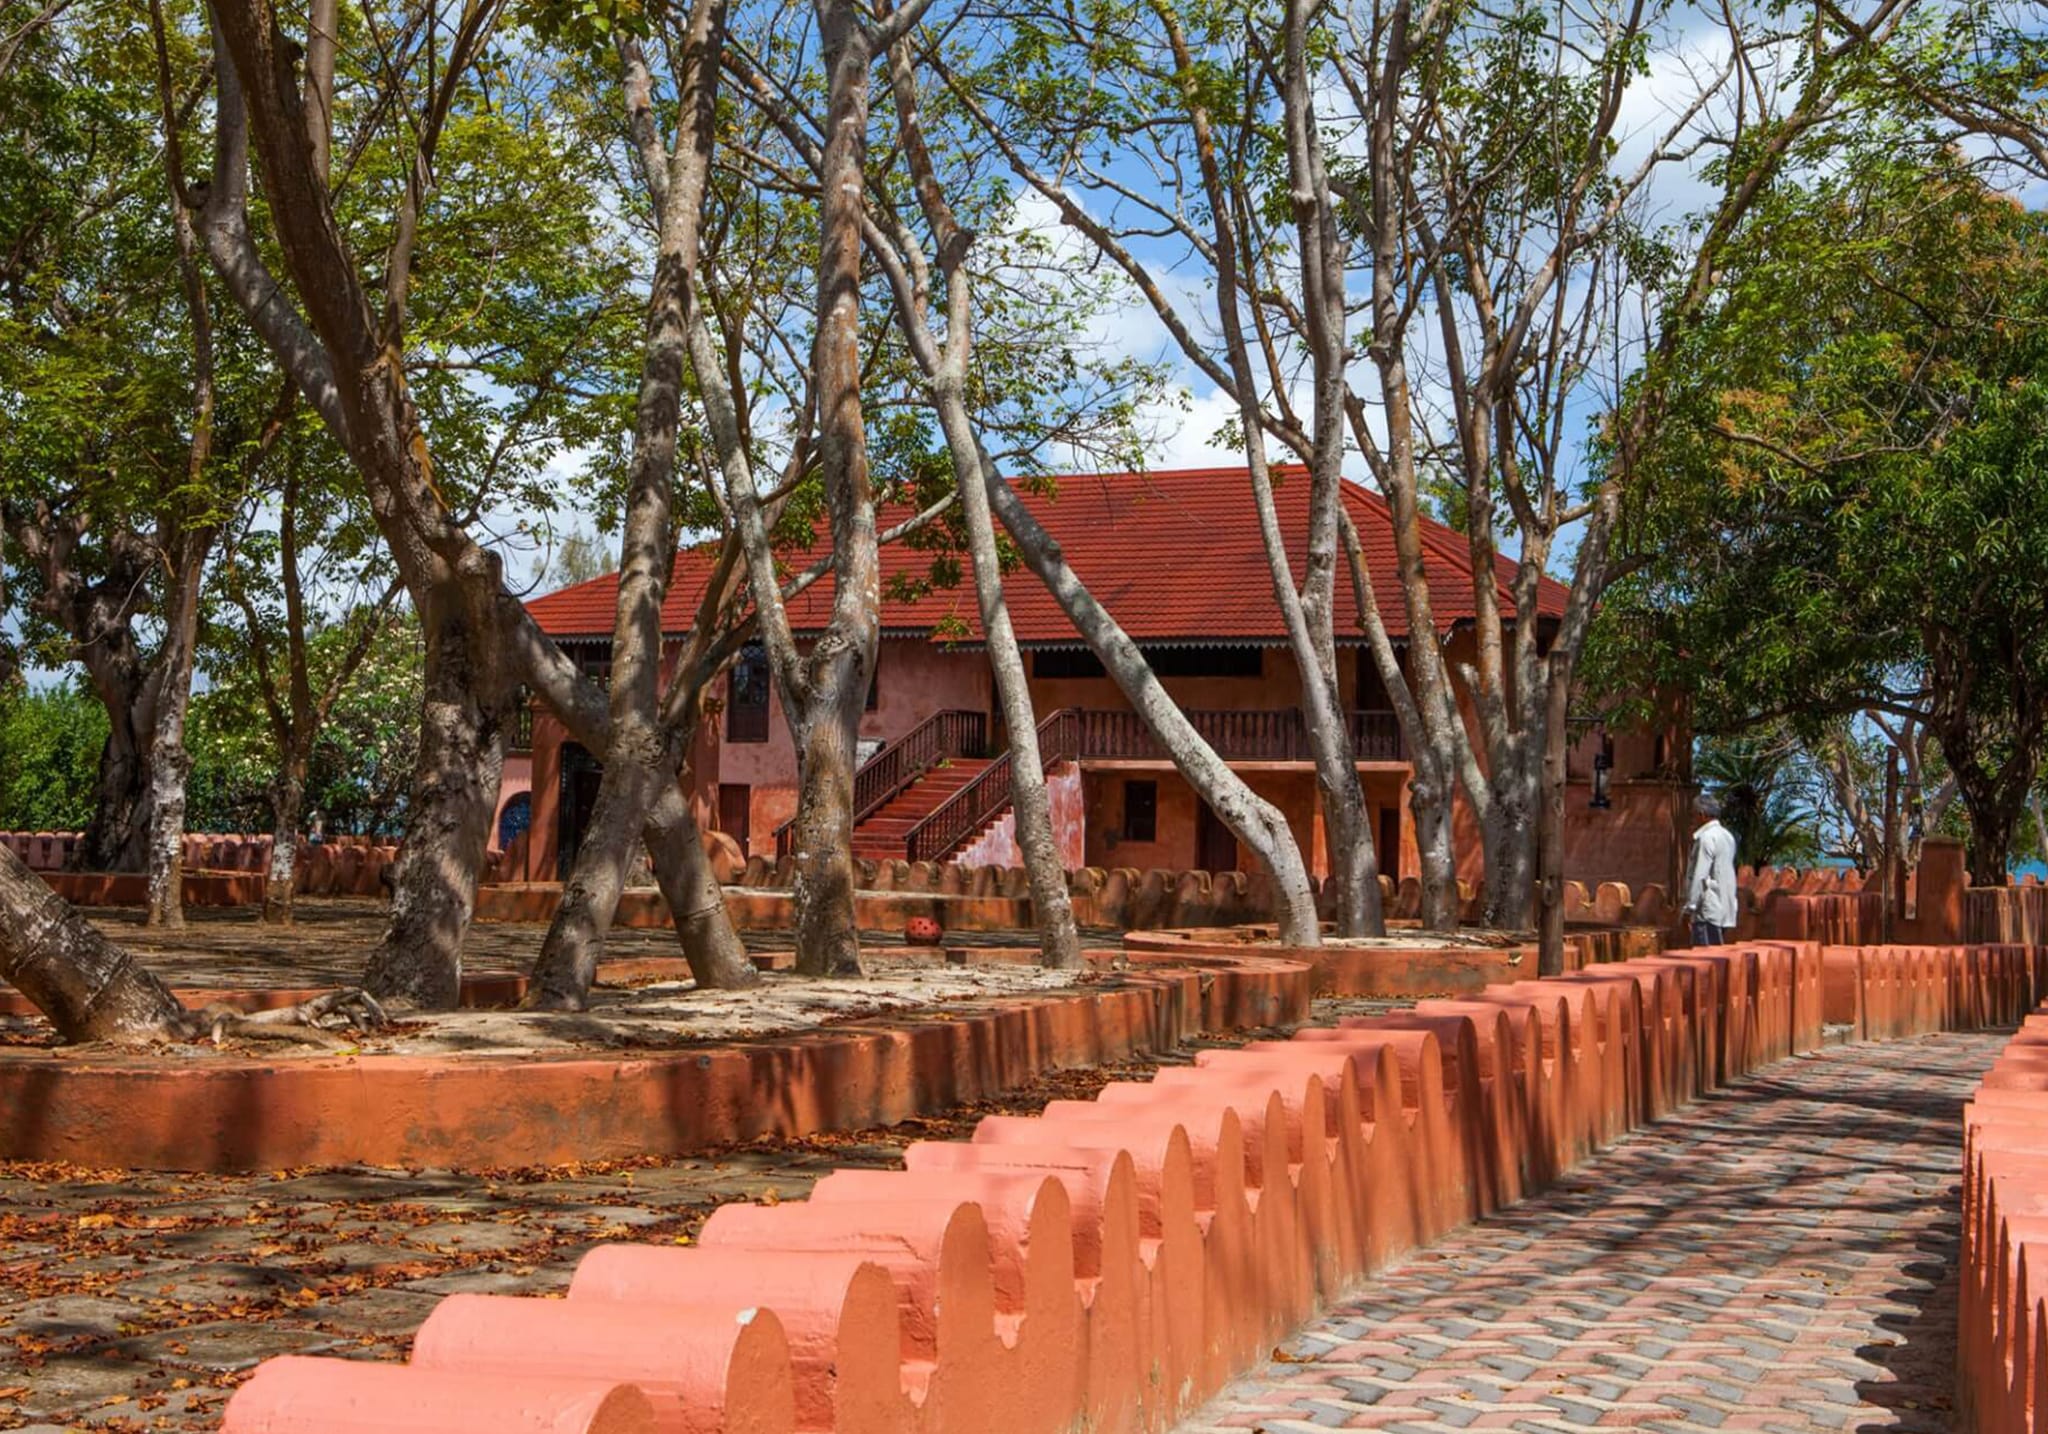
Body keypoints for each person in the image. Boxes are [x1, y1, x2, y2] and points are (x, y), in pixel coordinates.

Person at [1683, 793, 1738, 946]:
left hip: (1707, 910)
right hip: (1725, 908)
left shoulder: (1706, 838)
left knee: (1704, 962)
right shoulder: (1727, 836)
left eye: (1693, 815)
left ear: (1702, 815)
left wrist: (1690, 908)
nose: (1692, 819)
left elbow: (1699, 875)